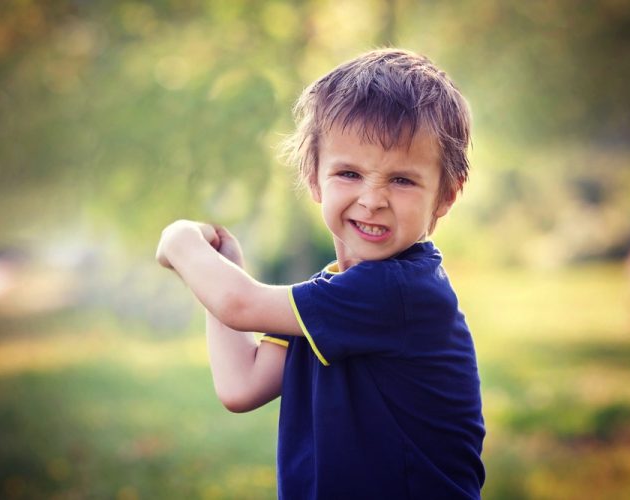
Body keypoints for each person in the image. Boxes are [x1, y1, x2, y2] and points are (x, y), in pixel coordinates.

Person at [156, 48, 486, 499]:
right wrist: (224, 268)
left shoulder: (400, 292)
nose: (373, 199)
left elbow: (240, 304)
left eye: (402, 180)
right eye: (349, 173)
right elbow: (241, 385)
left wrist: (179, 240)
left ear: (446, 195)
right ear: (313, 176)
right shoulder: (329, 294)